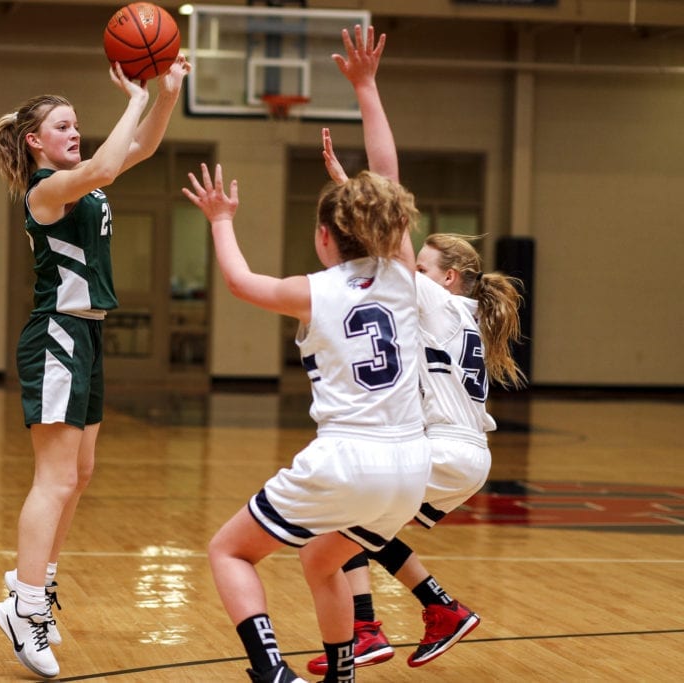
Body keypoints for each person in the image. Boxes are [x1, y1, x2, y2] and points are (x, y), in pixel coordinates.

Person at [306, 26, 526, 677]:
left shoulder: (430, 300)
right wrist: (355, 189)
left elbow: (391, 189)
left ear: (450, 277)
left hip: (443, 448)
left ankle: (379, 626)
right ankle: (424, 610)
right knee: (359, 517)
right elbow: (384, 212)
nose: (409, 263)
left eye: (421, 263)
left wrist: (367, 90)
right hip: (461, 452)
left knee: (340, 502)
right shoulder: (453, 307)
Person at [183, 136, 430, 682]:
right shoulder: (403, 278)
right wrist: (366, 92)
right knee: (323, 559)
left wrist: (221, 219)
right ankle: (341, 678)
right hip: (412, 468)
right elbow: (388, 178)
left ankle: (271, 670)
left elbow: (239, 281)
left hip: (345, 458)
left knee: (229, 552)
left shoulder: (315, 290)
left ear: (324, 237)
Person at [0, 55, 191, 679]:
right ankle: (24, 607)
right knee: (53, 479)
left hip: (88, 338)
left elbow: (143, 147)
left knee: (79, 473)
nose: (75, 134)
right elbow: (107, 159)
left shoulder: (86, 181)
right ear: (35, 141)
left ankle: (35, 585)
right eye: (66, 126)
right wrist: (133, 92)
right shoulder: (47, 191)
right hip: (56, 335)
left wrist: (165, 94)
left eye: (78, 125)